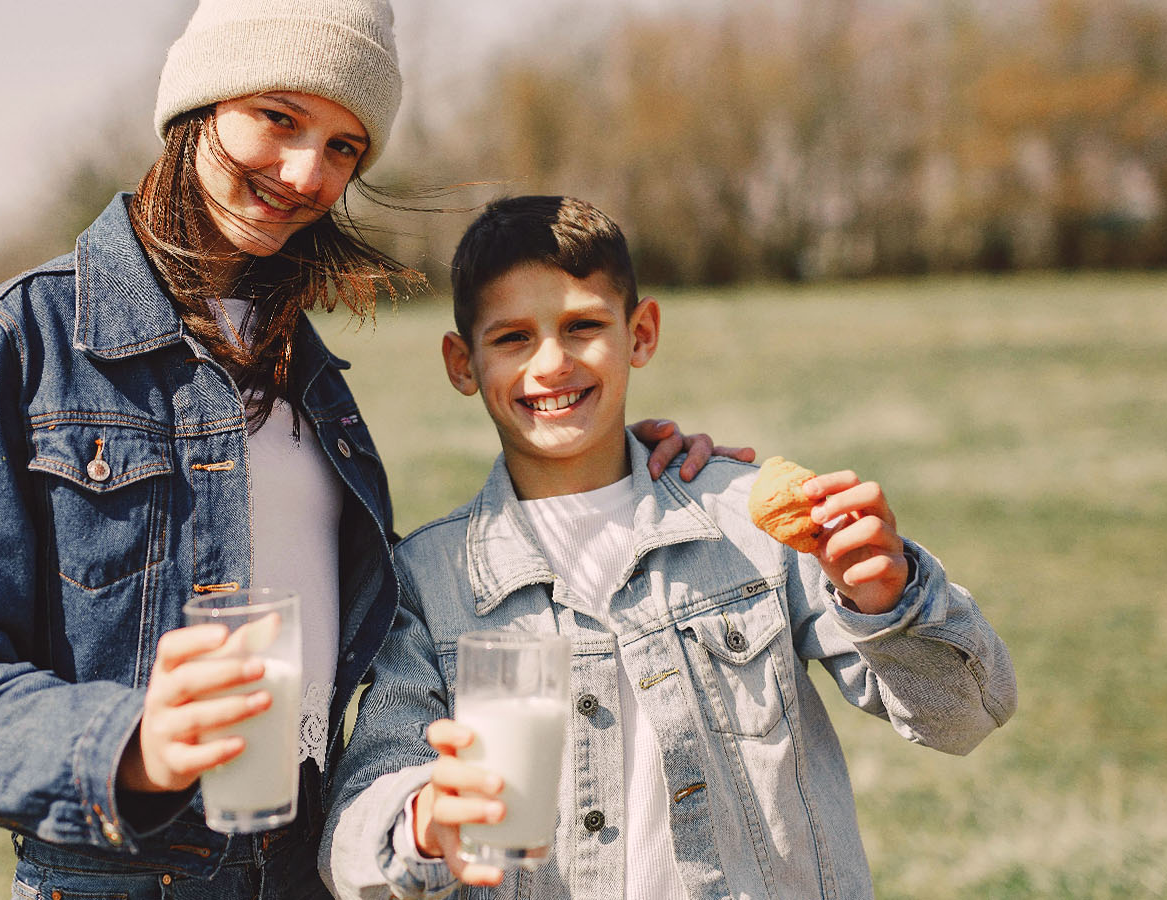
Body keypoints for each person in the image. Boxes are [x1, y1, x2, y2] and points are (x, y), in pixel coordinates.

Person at [0, 5, 748, 898]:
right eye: (279, 117)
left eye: (343, 148)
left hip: (304, 869)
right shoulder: (24, 339)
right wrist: (133, 744)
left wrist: (630, 472)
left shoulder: (312, 375)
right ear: (199, 104)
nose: (305, 174)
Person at [320, 196, 1018, 900]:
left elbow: (962, 715)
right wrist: (422, 821)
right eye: (512, 338)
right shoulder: (427, 584)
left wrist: (887, 600)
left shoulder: (749, 522)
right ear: (461, 362)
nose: (552, 363)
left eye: (583, 326)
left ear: (641, 333)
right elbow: (355, 830)